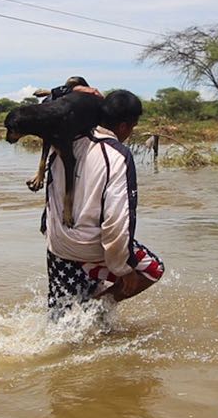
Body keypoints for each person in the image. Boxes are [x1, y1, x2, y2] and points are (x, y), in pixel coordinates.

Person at [41, 88, 164, 315]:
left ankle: (71, 320)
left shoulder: (64, 140)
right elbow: (117, 220)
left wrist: (67, 90)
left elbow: (47, 108)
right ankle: (92, 314)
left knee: (60, 312)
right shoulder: (118, 155)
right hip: (89, 248)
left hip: (57, 243)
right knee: (152, 270)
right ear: (125, 126)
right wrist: (122, 268)